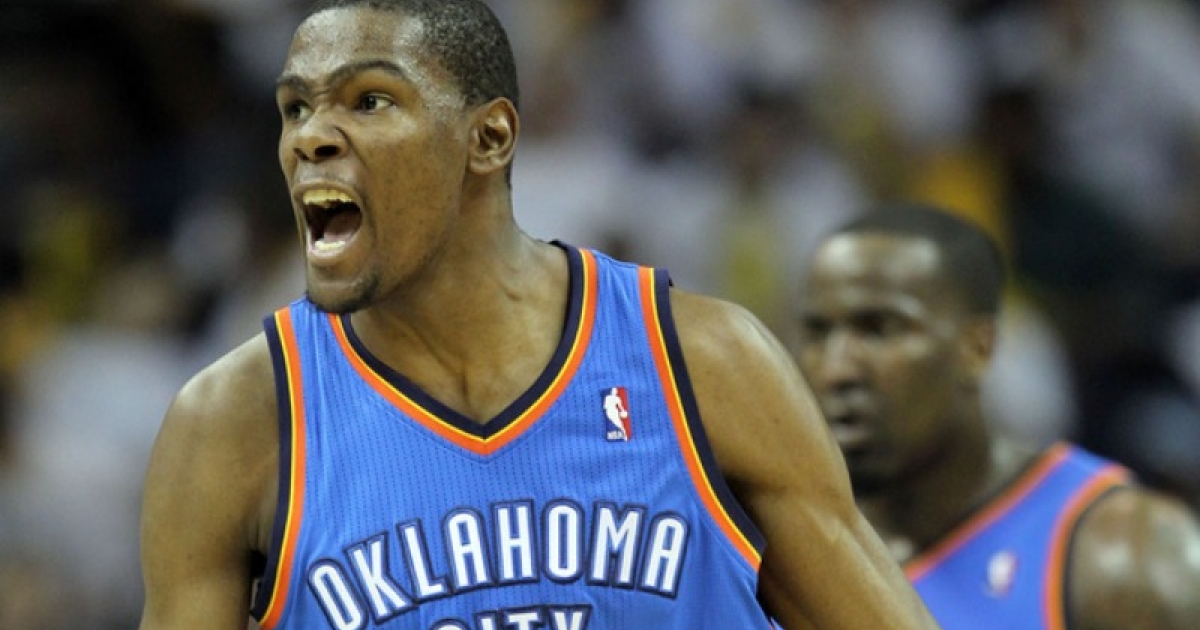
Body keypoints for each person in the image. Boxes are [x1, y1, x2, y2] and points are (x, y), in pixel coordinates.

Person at [136, 1, 944, 629]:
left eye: (369, 100)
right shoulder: (233, 425)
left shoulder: (701, 363)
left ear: (488, 138)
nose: (311, 137)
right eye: (296, 109)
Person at [792, 202, 1200, 630]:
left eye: (880, 329)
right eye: (818, 332)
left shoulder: (1124, 557)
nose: (837, 368)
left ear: (977, 348)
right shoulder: (770, 548)